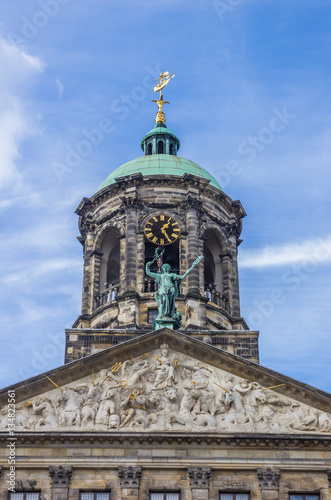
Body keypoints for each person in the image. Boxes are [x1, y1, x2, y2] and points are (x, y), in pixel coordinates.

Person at [146, 249, 203, 325]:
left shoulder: (172, 275)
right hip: (163, 290)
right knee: (163, 300)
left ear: (169, 269)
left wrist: (187, 272)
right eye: (164, 267)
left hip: (171, 289)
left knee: (170, 303)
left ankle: (169, 315)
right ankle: (164, 315)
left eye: (167, 267)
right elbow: (148, 273)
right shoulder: (160, 276)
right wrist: (147, 265)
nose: (165, 268)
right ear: (162, 269)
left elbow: (182, 278)